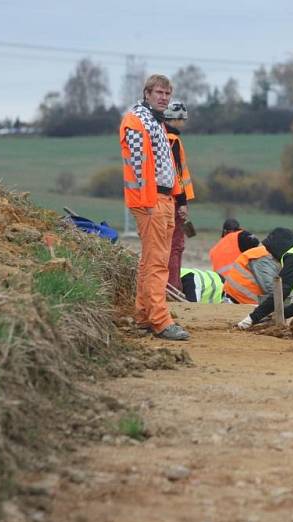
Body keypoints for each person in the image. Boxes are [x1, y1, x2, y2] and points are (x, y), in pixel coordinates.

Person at [119, 74, 189, 341]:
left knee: (150, 261)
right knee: (158, 263)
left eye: (167, 93)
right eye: (159, 92)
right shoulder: (138, 120)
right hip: (151, 201)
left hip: (163, 199)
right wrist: (147, 202)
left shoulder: (156, 122)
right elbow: (138, 167)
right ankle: (160, 320)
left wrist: (175, 199)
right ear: (147, 93)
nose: (164, 97)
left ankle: (144, 315)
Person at [164, 100, 195, 294]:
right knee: (176, 246)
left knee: (167, 245)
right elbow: (176, 174)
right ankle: (173, 288)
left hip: (167, 199)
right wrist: (182, 202)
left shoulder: (162, 136)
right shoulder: (172, 139)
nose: (183, 124)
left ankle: (169, 286)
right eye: (182, 120)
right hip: (175, 201)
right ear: (176, 119)